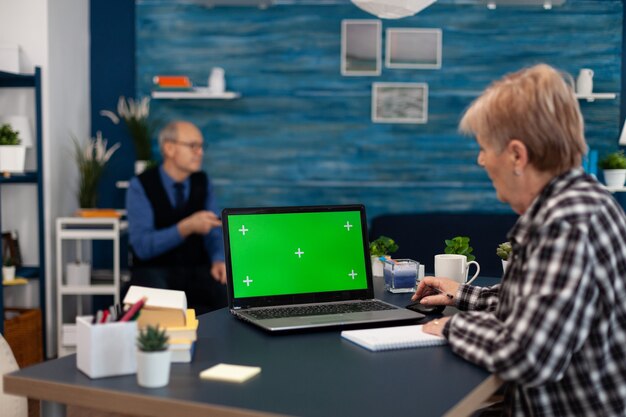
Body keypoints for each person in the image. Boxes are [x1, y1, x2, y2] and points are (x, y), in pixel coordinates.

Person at [412, 64, 626, 415]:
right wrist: (461, 293)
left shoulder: (564, 224)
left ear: (516, 155)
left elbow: (529, 355)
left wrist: (451, 326)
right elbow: (540, 306)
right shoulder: (588, 199)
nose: (481, 160)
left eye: (483, 148)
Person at [126, 120, 227, 314]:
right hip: (154, 269)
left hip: (197, 269)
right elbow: (142, 247)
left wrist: (218, 259)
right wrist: (186, 227)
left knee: (226, 295)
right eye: (193, 146)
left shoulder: (202, 182)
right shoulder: (140, 186)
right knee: (158, 299)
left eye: (201, 146)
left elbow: (214, 229)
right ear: (169, 148)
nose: (200, 152)